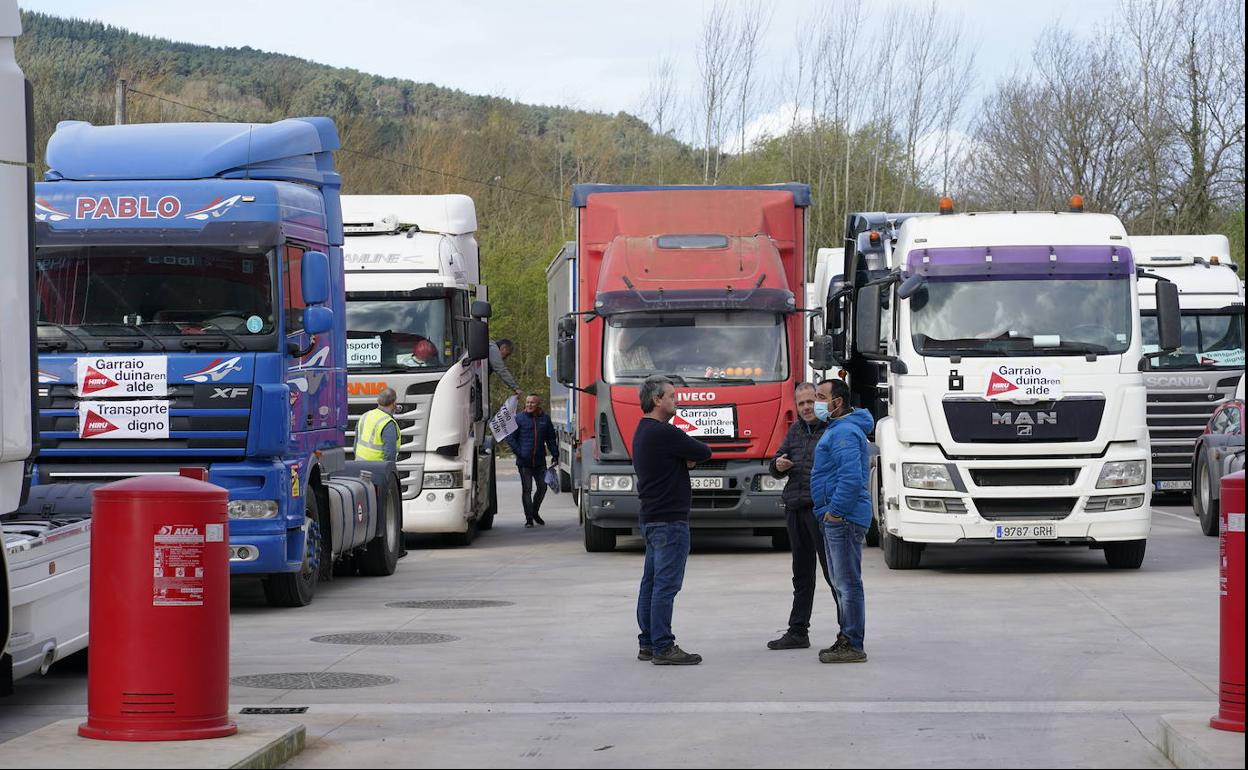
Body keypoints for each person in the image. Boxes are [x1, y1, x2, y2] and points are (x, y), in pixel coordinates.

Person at [632, 375, 712, 666]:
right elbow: (704, 452)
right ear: (657, 400)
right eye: (672, 396)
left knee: (651, 583)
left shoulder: (643, 431)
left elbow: (681, 458)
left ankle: (648, 643)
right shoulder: (665, 432)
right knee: (666, 585)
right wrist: (685, 458)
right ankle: (664, 646)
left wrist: (681, 459)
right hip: (670, 520)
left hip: (652, 517)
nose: (676, 401)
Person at [765, 380, 839, 651]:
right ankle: (798, 631)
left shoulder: (833, 430)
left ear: (820, 402)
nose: (806, 407)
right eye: (801, 403)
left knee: (834, 575)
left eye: (811, 402)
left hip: (822, 512)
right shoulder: (795, 431)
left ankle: (848, 633)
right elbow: (774, 466)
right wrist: (778, 465)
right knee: (802, 575)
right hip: (795, 509)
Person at [809, 378, 875, 664]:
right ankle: (846, 636)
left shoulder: (845, 432)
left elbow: (850, 478)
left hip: (843, 518)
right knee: (841, 581)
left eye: (821, 397)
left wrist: (834, 512)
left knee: (847, 583)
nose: (816, 403)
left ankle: (852, 642)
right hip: (836, 516)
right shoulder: (838, 429)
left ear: (838, 402)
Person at [505, 393, 558, 527]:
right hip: (524, 463)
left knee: (542, 487)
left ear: (538, 404)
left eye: (532, 403)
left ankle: (535, 512)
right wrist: (520, 452)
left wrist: (555, 454)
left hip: (540, 462)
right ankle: (529, 519)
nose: (529, 405)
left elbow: (551, 439)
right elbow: (510, 438)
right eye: (528, 402)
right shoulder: (519, 418)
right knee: (527, 490)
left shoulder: (545, 420)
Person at [355, 387, 400, 462]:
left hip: (359, 466)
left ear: (378, 401)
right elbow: (390, 454)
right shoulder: (388, 423)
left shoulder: (365, 416)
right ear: (394, 403)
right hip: (377, 469)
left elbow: (355, 445)